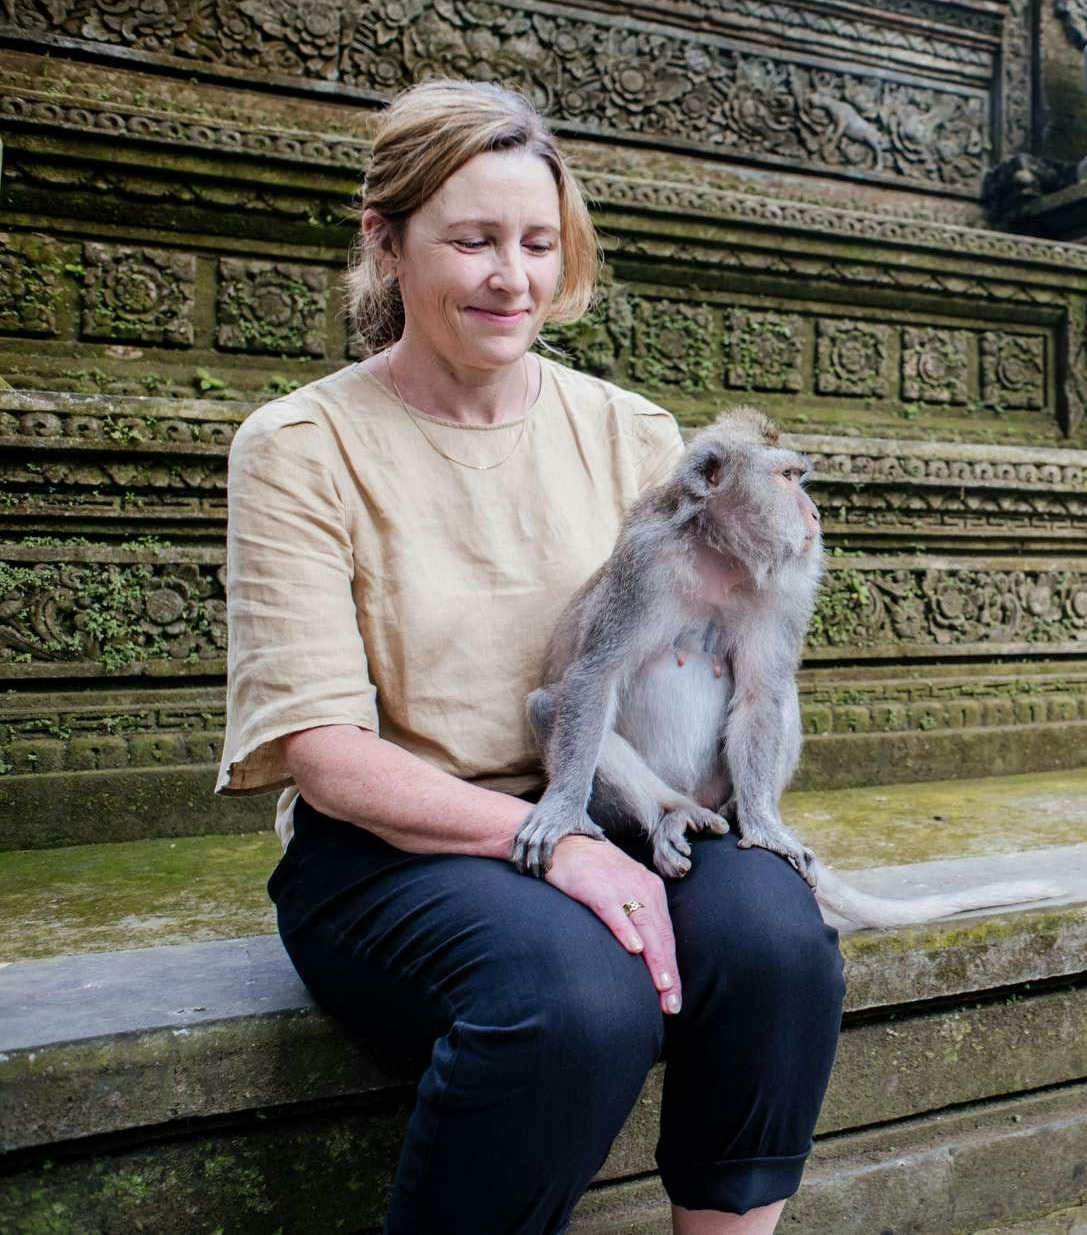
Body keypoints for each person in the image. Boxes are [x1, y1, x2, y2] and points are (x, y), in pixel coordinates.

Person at [217, 79, 844, 1235]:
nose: (513, 277)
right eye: (474, 241)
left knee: (776, 942)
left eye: (538, 244)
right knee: (580, 1000)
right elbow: (324, 755)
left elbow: (717, 658)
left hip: (609, 796)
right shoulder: (301, 447)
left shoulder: (630, 431)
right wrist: (556, 847)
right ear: (386, 242)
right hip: (394, 849)